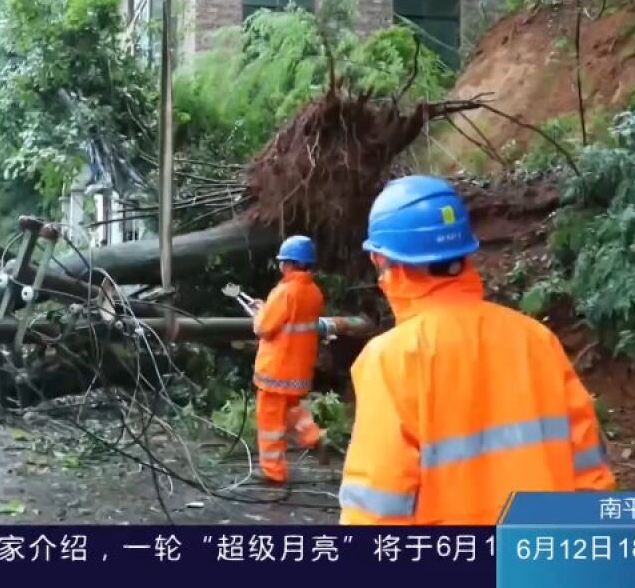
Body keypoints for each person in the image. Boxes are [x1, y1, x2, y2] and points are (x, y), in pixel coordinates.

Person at [339, 175, 615, 525]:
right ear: (465, 253)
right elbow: (590, 471)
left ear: (381, 260)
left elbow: (375, 509)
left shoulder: (392, 359)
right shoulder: (535, 339)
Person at [251, 235, 325, 483]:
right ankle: (313, 436)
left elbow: (263, 328)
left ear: (290, 264)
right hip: (298, 371)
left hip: (275, 372)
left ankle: (273, 472)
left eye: (283, 262)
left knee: (270, 423)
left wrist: (259, 312)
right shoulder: (314, 292)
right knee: (294, 409)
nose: (281, 266)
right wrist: (265, 307)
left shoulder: (284, 292)